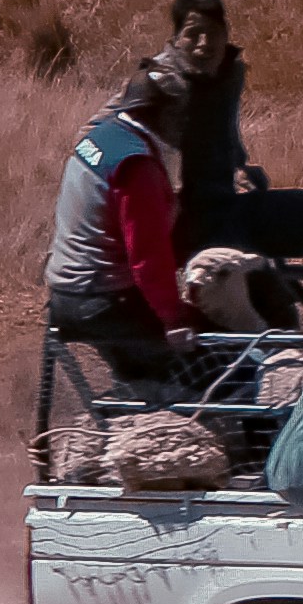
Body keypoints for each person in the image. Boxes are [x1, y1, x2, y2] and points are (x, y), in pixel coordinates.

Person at [159, 0, 303, 273]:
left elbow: (224, 139)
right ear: (176, 40)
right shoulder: (160, 84)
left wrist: (240, 168)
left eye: (212, 33)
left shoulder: (227, 76)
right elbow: (111, 134)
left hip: (228, 208)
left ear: (225, 35)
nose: (204, 44)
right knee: (261, 282)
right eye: (193, 34)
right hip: (191, 227)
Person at [44, 59, 193, 386]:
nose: (184, 123)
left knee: (142, 369)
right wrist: (173, 318)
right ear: (154, 114)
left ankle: (136, 392)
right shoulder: (136, 165)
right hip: (103, 302)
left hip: (65, 295)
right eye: (177, 114)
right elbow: (148, 258)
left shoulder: (101, 137)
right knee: (212, 351)